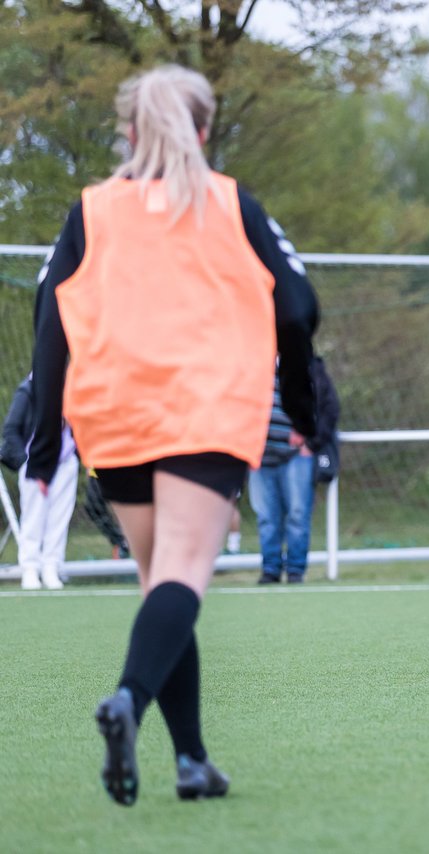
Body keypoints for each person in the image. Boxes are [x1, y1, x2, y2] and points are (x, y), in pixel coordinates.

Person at [26, 65, 318, 805]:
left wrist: (42, 433)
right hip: (206, 410)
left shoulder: (90, 211)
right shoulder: (230, 203)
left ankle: (191, 761)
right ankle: (127, 697)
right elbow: (297, 307)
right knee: (186, 576)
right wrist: (303, 409)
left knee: (162, 582)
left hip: (113, 415)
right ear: (205, 130)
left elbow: (50, 326)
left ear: (127, 131)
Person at [248, 355, 337, 584]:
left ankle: (296, 571)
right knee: (266, 517)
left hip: (297, 456)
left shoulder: (308, 365)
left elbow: (329, 406)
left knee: (298, 514)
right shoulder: (250, 363)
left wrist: (311, 441)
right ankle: (270, 570)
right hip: (259, 456)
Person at [3, 374, 78, 590]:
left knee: (59, 518)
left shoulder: (73, 386)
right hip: (34, 463)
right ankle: (30, 568)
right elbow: (11, 429)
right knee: (33, 516)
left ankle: (51, 567)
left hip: (65, 462)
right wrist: (27, 462)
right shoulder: (28, 389)